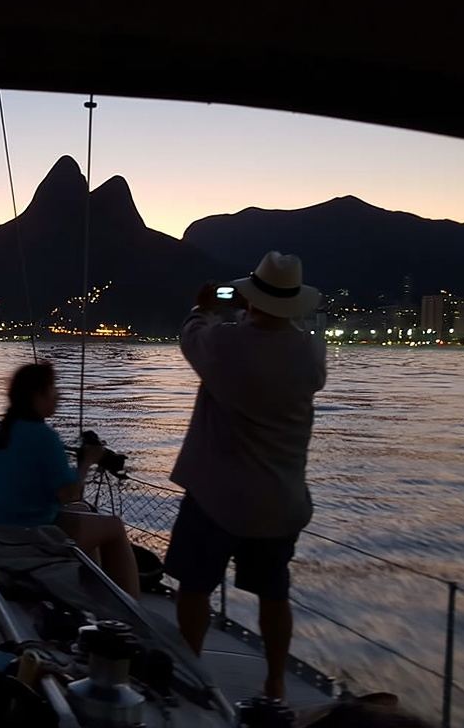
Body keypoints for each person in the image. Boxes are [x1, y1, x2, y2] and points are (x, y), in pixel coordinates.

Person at [165, 251, 327, 700]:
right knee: (274, 595)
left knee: (194, 589)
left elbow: (191, 333)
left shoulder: (225, 345)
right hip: (280, 500)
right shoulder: (312, 353)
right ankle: (275, 682)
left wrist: (205, 306)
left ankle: (193, 670)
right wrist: (254, 310)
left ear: (251, 299)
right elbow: (282, 335)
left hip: (217, 497)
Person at [0, 363, 141, 598]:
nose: (58, 395)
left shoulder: (0, 434)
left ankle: (87, 590)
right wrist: (87, 462)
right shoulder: (44, 437)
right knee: (113, 526)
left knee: (84, 510)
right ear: (37, 396)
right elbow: (68, 494)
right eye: (52, 389)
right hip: (29, 536)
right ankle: (132, 613)